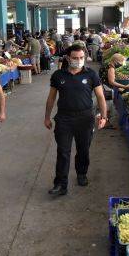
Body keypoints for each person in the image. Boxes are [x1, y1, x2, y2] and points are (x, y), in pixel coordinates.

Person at [44, 44, 108, 196]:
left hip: (85, 118)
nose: (79, 61)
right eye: (75, 58)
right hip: (64, 119)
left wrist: (103, 116)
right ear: (68, 58)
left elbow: (100, 96)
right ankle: (60, 184)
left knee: (83, 149)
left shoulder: (91, 75)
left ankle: (81, 173)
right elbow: (51, 98)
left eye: (81, 58)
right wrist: (46, 117)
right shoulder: (58, 75)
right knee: (63, 152)